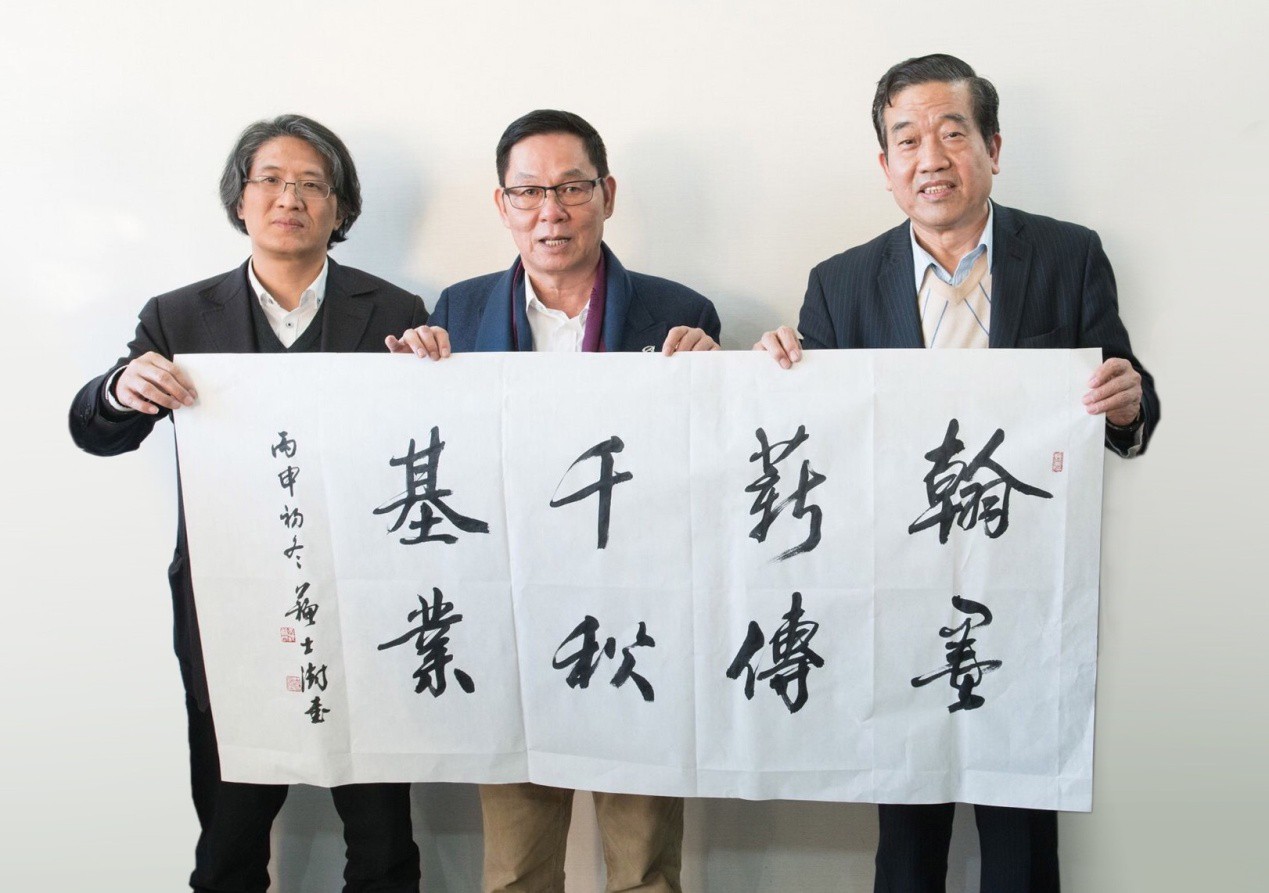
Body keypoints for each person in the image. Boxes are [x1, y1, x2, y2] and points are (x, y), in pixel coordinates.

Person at [756, 54, 1159, 892]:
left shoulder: (1068, 255)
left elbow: (1127, 400)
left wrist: (1126, 402)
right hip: (895, 592)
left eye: (951, 133)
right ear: (884, 165)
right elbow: (817, 443)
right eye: (906, 140)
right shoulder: (839, 283)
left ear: (992, 147)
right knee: (906, 836)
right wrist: (780, 370)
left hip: (1027, 592)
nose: (930, 158)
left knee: (1021, 834)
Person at [69, 114, 426, 893]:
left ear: (340, 207)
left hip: (362, 604)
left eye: (312, 184)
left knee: (382, 843)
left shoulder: (398, 311)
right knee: (228, 844)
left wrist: (434, 373)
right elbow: (95, 431)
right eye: (271, 179)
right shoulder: (178, 315)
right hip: (227, 609)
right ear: (240, 199)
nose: (289, 198)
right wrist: (122, 388)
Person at [388, 109, 720, 893]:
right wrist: (411, 376)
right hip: (513, 615)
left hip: (637, 615)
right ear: (501, 203)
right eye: (529, 191)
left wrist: (718, 375)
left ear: (607, 194)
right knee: (515, 866)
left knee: (643, 862)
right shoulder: (456, 312)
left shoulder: (681, 311)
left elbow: (707, 467)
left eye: (571, 187)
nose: (551, 211)